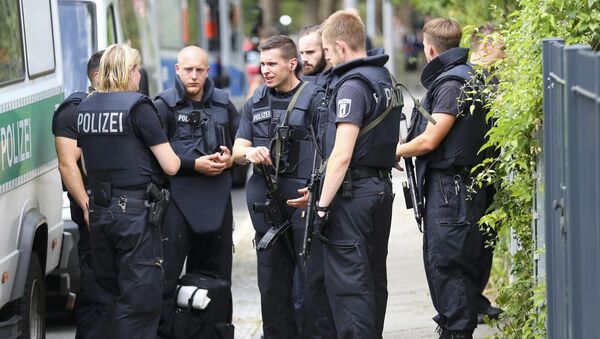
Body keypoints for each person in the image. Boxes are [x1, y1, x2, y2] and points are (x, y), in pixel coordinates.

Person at [77, 43, 204, 339]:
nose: (139, 76)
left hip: (99, 212)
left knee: (107, 295)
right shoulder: (138, 106)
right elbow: (170, 165)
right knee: (139, 298)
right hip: (134, 215)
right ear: (129, 71)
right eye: (137, 70)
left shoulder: (84, 107)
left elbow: (85, 167)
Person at [289, 10, 401, 338]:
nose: (326, 59)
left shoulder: (352, 86)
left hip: (352, 198)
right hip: (378, 191)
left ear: (339, 46)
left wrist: (322, 205)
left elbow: (341, 155)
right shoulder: (383, 78)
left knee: (350, 287)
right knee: (372, 280)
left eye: (325, 51)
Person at [395, 18, 488, 339]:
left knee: (449, 266)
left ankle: (457, 331)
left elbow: (431, 140)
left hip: (452, 190)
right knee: (452, 264)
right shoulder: (469, 76)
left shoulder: (452, 84)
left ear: (430, 48)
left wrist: (396, 150)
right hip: (459, 188)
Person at [232, 35, 325, 338]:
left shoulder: (316, 99)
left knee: (309, 285)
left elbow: (331, 151)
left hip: (302, 205)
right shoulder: (255, 102)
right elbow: (236, 150)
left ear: (292, 63)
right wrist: (248, 153)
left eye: (272, 63)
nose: (266, 70)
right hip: (266, 210)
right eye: (262, 64)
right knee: (271, 286)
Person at [154, 45, 239, 338]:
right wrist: (193, 165)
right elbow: (154, 159)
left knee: (218, 282)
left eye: (199, 70)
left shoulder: (224, 103)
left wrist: (230, 159)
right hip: (177, 203)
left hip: (216, 203)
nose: (193, 76)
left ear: (208, 71)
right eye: (187, 69)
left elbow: (242, 144)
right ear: (177, 70)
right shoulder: (163, 105)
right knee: (164, 283)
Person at [52, 50, 104, 339]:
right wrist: (86, 206)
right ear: (97, 76)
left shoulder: (120, 105)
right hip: (92, 210)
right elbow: (67, 163)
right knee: (95, 285)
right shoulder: (75, 109)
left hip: (120, 211)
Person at [469, 24, 505, 324]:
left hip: (489, 172)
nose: (504, 53)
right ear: (483, 47)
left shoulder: (492, 79)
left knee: (485, 241)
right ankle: (471, 302)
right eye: (500, 47)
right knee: (473, 243)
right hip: (474, 173)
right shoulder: (471, 82)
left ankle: (475, 300)